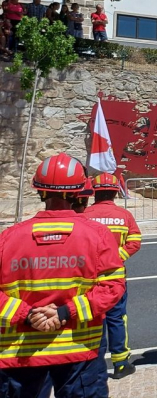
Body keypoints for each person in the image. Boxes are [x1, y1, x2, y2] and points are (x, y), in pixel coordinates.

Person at [0, 153, 125, 397]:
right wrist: (64, 313)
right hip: (79, 349)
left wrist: (27, 316)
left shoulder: (8, 238)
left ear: (39, 191)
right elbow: (112, 287)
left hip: (21, 353)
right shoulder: (97, 235)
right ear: (79, 192)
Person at [82, 173, 142, 379]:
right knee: (117, 319)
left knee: (91, 318)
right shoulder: (124, 215)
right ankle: (121, 363)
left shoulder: (83, 214)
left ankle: (92, 364)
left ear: (93, 192)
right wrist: (115, 258)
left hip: (88, 278)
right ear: (116, 192)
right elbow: (135, 241)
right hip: (115, 278)